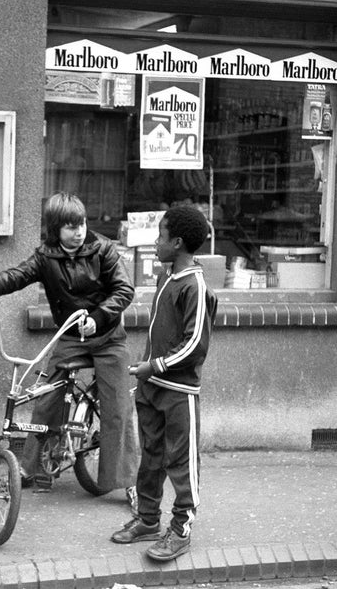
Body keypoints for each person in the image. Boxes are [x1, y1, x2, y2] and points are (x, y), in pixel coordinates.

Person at [0, 192, 139, 509]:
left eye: (82, 224)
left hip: (107, 337)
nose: (78, 231)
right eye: (70, 227)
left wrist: (100, 316)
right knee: (44, 399)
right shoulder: (45, 257)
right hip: (70, 337)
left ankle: (129, 482)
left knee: (117, 408)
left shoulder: (103, 249)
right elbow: (14, 276)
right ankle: (29, 468)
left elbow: (124, 289)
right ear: (54, 229)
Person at [110, 205, 217, 562]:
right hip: (152, 387)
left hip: (178, 392)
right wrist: (148, 373)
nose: (156, 242)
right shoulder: (166, 276)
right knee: (151, 457)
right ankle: (148, 520)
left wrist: (152, 366)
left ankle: (180, 530)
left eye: (161, 236)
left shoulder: (195, 285)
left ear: (179, 242)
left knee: (181, 463)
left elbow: (194, 344)